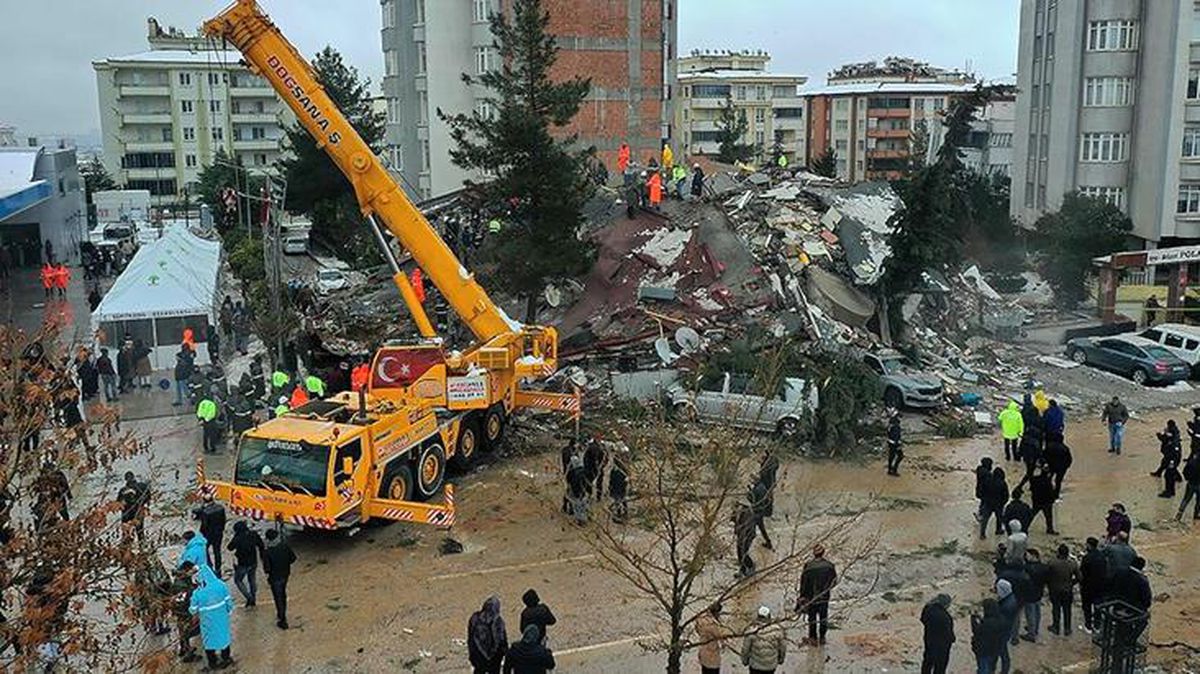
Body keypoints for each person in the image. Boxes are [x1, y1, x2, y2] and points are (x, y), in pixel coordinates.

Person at [188, 564, 234, 669]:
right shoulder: (221, 585)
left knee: (209, 641)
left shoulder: (198, 593)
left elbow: (193, 610)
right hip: (222, 618)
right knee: (224, 637)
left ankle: (212, 662)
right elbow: (228, 601)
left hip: (207, 622)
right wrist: (229, 611)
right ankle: (226, 658)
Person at [797, 545, 837, 646]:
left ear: (814, 554)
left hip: (811, 597)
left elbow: (804, 583)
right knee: (823, 617)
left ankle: (813, 638)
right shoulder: (830, 566)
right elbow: (834, 581)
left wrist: (802, 596)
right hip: (824, 597)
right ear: (823, 553)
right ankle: (822, 637)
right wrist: (826, 589)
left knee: (812, 618)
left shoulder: (808, 566)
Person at [262, 528, 296, 629]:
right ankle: (282, 614)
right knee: (283, 594)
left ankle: (282, 618)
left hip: (275, 578)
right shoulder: (284, 546)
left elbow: (267, 569)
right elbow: (293, 558)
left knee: (278, 597)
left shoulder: (267, 552)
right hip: (285, 574)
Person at [226, 521, 265, 607]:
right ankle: (253, 598)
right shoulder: (253, 534)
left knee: (238, 580)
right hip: (253, 561)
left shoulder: (237, 538)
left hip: (242, 563)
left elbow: (229, 547)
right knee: (252, 580)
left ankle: (249, 598)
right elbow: (261, 545)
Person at [169, 563, 202, 662]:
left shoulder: (182, 579)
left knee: (183, 631)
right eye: (192, 571)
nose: (193, 573)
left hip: (182, 612)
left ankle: (183, 648)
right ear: (186, 571)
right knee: (186, 631)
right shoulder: (180, 586)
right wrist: (191, 612)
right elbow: (181, 601)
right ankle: (188, 655)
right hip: (184, 612)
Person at [468, 595, 508, 674]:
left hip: (478, 655)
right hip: (495, 657)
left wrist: (472, 654)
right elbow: (502, 640)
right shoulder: (498, 622)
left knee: (479, 671)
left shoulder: (475, 619)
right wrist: (504, 652)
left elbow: (471, 638)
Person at [1045, 543, 1078, 636]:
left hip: (1055, 589)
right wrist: (1072, 583)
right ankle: (1067, 628)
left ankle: (1056, 627)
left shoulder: (1052, 563)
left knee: (1056, 608)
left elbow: (1046, 575)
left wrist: (1049, 584)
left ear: (1058, 553)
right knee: (1067, 609)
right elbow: (1080, 577)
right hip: (1067, 590)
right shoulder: (1073, 564)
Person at [742, 606, 786, 673]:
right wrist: (781, 660)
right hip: (770, 666)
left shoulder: (752, 630)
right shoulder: (777, 630)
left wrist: (745, 661)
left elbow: (745, 649)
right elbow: (782, 647)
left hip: (755, 666)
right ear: (769, 616)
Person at [920, 593, 955, 674]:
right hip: (942, 646)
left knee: (927, 663)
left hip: (929, 641)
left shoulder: (928, 610)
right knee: (940, 666)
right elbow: (949, 633)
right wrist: (952, 639)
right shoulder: (946, 617)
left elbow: (922, 619)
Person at [971, 598, 1008, 674]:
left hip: (984, 650)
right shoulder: (1001, 619)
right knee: (991, 667)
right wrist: (982, 620)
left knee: (983, 668)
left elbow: (976, 631)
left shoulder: (987, 624)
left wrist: (973, 619)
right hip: (995, 649)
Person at [1018, 548, 1048, 642]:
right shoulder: (1043, 567)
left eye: (1028, 555)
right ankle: (1035, 629)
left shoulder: (1027, 568)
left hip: (1029, 594)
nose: (1026, 557)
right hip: (1039, 592)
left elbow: (1023, 580)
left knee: (1030, 614)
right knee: (1037, 611)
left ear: (1034, 556)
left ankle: (1031, 634)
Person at [194, 494, 227, 575]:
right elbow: (224, 520)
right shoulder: (221, 508)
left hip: (208, 535)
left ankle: (209, 565)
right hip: (218, 533)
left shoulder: (205, 512)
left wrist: (201, 533)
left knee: (205, 549)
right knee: (217, 551)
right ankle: (218, 569)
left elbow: (205, 525)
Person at [1079, 537, 1106, 633]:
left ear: (1089, 546)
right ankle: (1097, 625)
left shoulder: (1087, 558)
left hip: (1088, 587)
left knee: (1087, 606)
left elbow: (1082, 573)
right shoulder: (1102, 556)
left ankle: (1088, 625)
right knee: (1098, 606)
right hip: (1100, 586)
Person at [694, 603, 727, 674]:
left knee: (705, 670)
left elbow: (697, 629)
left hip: (703, 651)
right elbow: (721, 636)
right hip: (712, 654)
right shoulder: (713, 625)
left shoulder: (701, 619)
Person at [1154, 420, 1184, 498]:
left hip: (1172, 458)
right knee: (1165, 465)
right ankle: (1172, 490)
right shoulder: (1171, 437)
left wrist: (1172, 462)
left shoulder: (1174, 442)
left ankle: (1169, 492)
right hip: (1169, 456)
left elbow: (1175, 453)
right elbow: (1164, 439)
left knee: (1169, 475)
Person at [117, 471, 149, 541]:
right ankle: (142, 548)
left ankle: (127, 549)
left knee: (127, 533)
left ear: (125, 479)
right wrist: (143, 503)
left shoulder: (123, 490)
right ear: (134, 477)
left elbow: (118, 504)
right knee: (140, 532)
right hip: (138, 511)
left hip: (127, 513)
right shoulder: (142, 486)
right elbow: (148, 497)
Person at [994, 579, 1018, 671]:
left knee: (1002, 652)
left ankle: (1004, 670)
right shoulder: (1011, 597)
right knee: (1002, 652)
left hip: (1003, 632)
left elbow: (1002, 620)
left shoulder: (1007, 606)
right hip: (1007, 630)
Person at [1029, 465, 1059, 535]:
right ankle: (1050, 529)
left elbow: (1032, 488)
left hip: (1037, 501)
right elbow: (1051, 492)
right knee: (1049, 517)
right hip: (1046, 502)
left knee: (1032, 514)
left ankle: (1024, 526)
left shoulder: (1035, 480)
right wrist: (1053, 499)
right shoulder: (1048, 482)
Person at [981, 467, 1008, 539]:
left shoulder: (987, 480)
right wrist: (1003, 503)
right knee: (999, 518)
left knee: (985, 519)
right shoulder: (1003, 483)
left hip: (988, 503)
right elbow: (1006, 495)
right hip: (998, 504)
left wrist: (984, 500)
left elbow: (982, 491)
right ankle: (998, 530)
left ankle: (982, 534)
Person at [733, 501, 757, 578]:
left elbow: (746, 526)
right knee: (739, 552)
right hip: (741, 535)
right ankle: (742, 570)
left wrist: (742, 539)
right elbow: (734, 520)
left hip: (747, 535)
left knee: (744, 552)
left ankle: (750, 566)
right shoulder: (738, 511)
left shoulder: (748, 512)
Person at [749, 479, 774, 550]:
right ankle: (769, 543)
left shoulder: (756, 489)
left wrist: (750, 492)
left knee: (751, 529)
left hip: (756, 511)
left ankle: (749, 546)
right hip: (761, 510)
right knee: (762, 528)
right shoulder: (763, 487)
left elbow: (752, 499)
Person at [565, 454, 589, 524]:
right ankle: (584, 517)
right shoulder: (584, 470)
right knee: (583, 504)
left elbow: (571, 482)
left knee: (577, 505)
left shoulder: (574, 472)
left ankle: (581, 520)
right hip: (583, 490)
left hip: (576, 491)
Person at [1177, 450, 1200, 521]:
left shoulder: (1192, 462)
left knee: (1186, 499)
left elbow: (1185, 471)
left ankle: (1179, 514)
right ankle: (1196, 514)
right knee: (1198, 501)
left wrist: (1187, 479)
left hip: (1191, 483)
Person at [608, 458, 628, 523]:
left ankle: (619, 512)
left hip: (616, 488)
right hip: (622, 488)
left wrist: (610, 488)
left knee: (617, 501)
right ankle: (625, 511)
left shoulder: (613, 471)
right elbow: (626, 480)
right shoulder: (623, 470)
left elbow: (611, 480)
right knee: (623, 499)